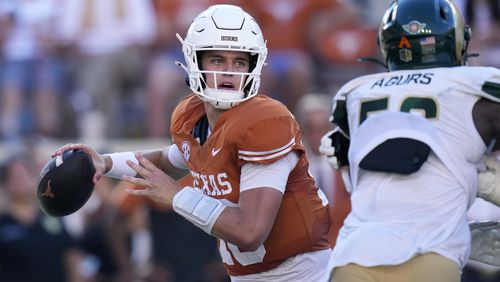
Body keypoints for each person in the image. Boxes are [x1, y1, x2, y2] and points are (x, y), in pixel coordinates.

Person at [53, 4, 332, 282]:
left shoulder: (266, 121)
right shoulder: (192, 116)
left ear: (254, 65)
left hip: (301, 273)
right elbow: (169, 159)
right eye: (218, 60)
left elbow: (250, 232)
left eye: (239, 62)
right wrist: (106, 161)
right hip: (248, 275)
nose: (230, 72)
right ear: (195, 61)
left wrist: (176, 196)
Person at [319, 0, 500, 281]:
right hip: (429, 254)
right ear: (453, 40)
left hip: (352, 254)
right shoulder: (476, 85)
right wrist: (489, 188)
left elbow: (363, 184)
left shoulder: (353, 94)